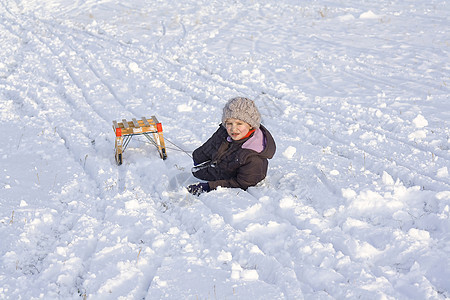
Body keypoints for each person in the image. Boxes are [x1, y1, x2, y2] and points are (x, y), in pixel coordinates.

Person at [187, 97, 276, 195]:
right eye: (229, 123)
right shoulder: (225, 132)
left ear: (250, 125)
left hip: (227, 185)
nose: (233, 128)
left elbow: (243, 183)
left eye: (239, 123)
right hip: (214, 171)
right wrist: (198, 157)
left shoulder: (254, 156)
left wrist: (209, 187)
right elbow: (211, 146)